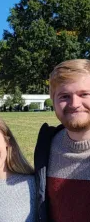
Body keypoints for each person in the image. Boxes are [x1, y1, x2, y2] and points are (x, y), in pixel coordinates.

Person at [35, 59, 90, 222]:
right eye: (64, 96)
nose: (74, 104)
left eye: (84, 94)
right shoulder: (46, 147)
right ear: (53, 101)